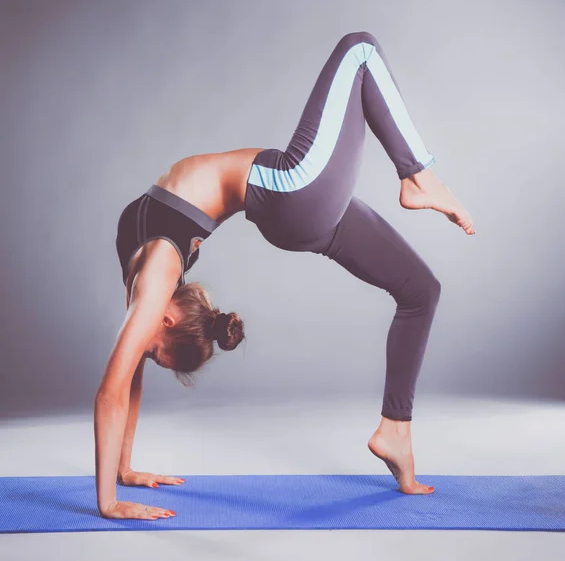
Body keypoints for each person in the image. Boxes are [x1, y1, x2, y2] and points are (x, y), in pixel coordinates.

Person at [95, 31, 475, 521]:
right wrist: (114, 493)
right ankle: (419, 175)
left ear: (166, 321)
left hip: (292, 200)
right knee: (359, 50)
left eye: (151, 351)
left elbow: (118, 386)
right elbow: (119, 387)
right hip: (291, 198)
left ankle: (395, 430)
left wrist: (120, 479)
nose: (140, 349)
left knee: (421, 290)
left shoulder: (150, 281)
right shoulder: (155, 279)